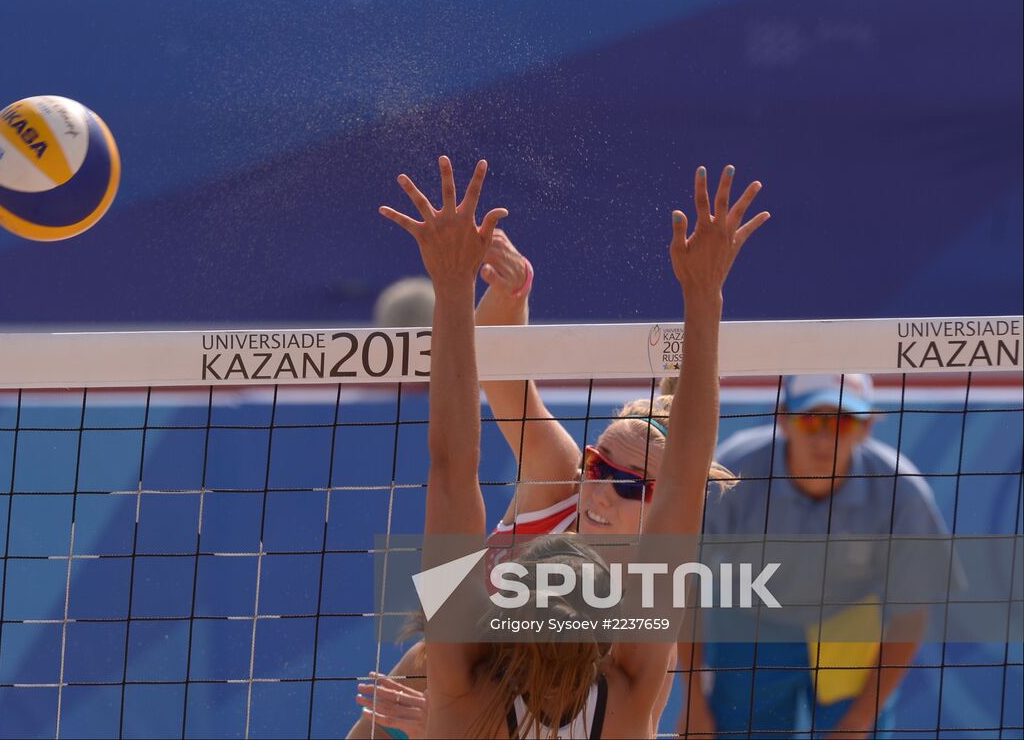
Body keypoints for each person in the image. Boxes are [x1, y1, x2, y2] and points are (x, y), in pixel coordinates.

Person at [373, 156, 766, 738]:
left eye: (628, 482)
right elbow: (683, 484)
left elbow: (452, 467)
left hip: (464, 710)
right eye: (597, 465)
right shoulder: (630, 686)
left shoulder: (463, 683)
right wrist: (705, 294)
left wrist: (451, 285)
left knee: (427, 661)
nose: (598, 486)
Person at [678, 373, 949, 739]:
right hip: (750, 624)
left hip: (847, 624)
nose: (825, 438)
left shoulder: (903, 490)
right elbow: (684, 584)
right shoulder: (733, 473)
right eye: (811, 419)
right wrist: (693, 702)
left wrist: (858, 722)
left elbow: (912, 615)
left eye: (841, 421)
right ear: (783, 419)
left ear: (866, 426)